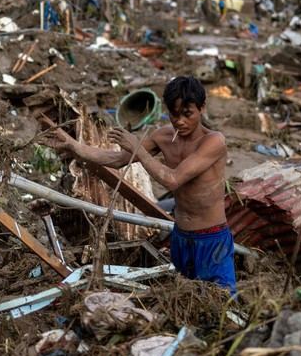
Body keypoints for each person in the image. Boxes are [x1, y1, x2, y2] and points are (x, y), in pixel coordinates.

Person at [44, 76, 236, 295]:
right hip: (181, 237)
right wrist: (74, 145)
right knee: (187, 296)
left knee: (222, 301)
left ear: (201, 108)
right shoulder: (164, 136)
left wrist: (137, 148)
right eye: (174, 115)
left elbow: (171, 179)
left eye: (187, 114)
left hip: (211, 239)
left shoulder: (213, 141)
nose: (180, 121)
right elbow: (116, 159)